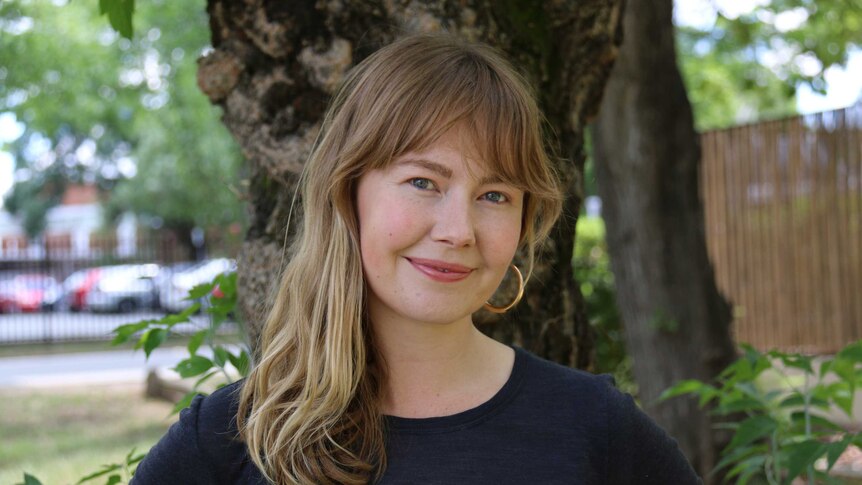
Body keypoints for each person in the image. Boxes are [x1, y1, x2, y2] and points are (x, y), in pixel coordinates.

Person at [133, 34, 702, 485]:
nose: (458, 231)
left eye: (495, 195)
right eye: (424, 181)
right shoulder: (233, 440)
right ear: (348, 191)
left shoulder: (593, 428)